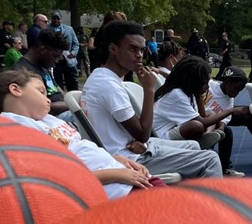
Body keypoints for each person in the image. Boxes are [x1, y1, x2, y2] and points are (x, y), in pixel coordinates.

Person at [81, 20, 222, 179]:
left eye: (141, 50)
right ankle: (208, 203)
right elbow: (143, 134)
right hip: (128, 158)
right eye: (132, 49)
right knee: (209, 160)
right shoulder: (108, 85)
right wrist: (149, 89)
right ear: (113, 49)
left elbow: (135, 133)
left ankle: (185, 197)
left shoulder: (100, 77)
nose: (139, 55)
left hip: (131, 146)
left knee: (194, 145)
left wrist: (140, 140)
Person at [0, 69, 158, 199]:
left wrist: (115, 160)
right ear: (16, 90)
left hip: (123, 177)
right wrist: (116, 174)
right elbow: (57, 178)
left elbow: (79, 148)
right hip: (115, 188)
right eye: (41, 91)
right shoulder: (14, 129)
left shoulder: (46, 121)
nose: (48, 100)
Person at [152, 56, 226, 151]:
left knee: (211, 113)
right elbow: (202, 122)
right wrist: (231, 111)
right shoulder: (177, 94)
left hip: (172, 127)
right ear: (194, 81)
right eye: (204, 83)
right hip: (160, 136)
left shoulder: (189, 93)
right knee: (196, 126)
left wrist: (198, 96)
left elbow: (202, 116)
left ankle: (207, 135)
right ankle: (203, 140)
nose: (207, 87)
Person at [205, 66, 252, 176]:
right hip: (200, 119)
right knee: (227, 131)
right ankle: (207, 162)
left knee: (248, 115)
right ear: (227, 82)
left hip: (215, 121)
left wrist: (220, 129)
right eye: (236, 88)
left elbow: (225, 119)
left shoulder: (230, 99)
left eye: (240, 91)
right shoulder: (209, 85)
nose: (237, 93)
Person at [14, 28, 74, 121]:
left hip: (62, 111)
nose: (60, 59)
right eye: (56, 55)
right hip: (48, 118)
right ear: (43, 49)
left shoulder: (43, 66)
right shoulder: (22, 71)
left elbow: (59, 91)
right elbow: (41, 107)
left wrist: (74, 100)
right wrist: (75, 105)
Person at [48, 12, 80, 92]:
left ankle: (73, 97)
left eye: (57, 18)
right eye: (54, 18)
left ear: (61, 19)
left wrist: (73, 52)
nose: (56, 20)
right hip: (55, 60)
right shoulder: (47, 29)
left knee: (72, 81)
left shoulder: (69, 29)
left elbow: (76, 43)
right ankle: (61, 99)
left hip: (68, 58)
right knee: (57, 82)